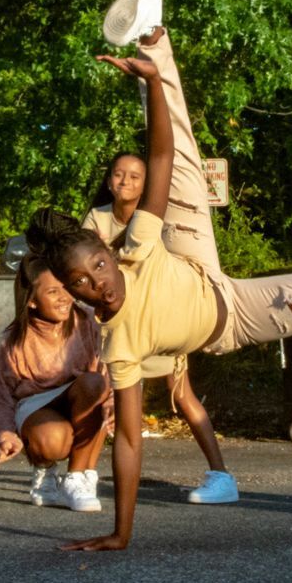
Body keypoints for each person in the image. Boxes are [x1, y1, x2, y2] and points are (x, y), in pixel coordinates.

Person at [27, 0, 292, 551]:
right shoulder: (119, 347)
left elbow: (163, 155)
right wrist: (120, 533)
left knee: (183, 163)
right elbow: (128, 441)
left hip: (186, 260)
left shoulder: (136, 246)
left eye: (99, 269)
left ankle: (152, 34)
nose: (98, 285)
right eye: (82, 285)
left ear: (110, 252)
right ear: (73, 294)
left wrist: (153, 82)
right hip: (230, 316)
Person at [84, 152, 236, 504]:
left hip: (161, 319)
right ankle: (84, 475)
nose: (125, 181)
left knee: (182, 395)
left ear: (146, 185)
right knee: (108, 394)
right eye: (119, 174)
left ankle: (221, 475)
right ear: (108, 180)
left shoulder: (155, 218)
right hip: (122, 326)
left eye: (135, 176)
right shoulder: (96, 218)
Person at [0, 257, 112, 512]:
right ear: (31, 300)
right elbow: (1, 397)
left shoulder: (87, 321)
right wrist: (4, 433)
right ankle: (44, 470)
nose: (64, 297)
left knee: (95, 384)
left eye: (67, 287)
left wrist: (112, 404)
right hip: (36, 405)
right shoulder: (13, 341)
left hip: (82, 397)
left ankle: (78, 477)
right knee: (54, 440)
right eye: (53, 292)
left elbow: (105, 371)